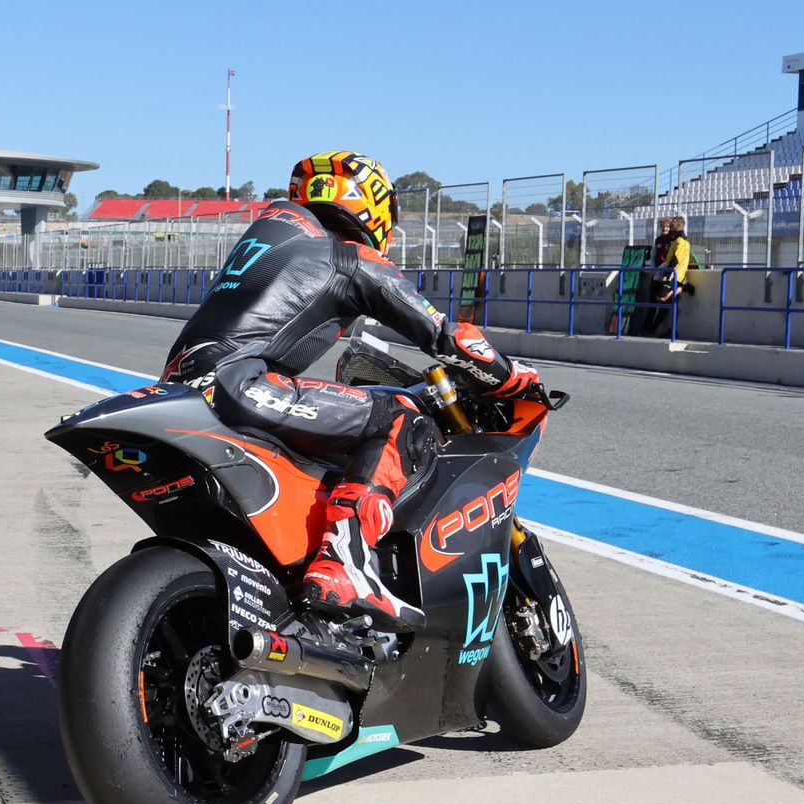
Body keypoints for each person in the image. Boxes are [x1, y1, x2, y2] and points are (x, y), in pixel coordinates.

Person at [161, 151, 538, 633]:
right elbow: (446, 336)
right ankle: (347, 561)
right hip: (239, 385)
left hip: (184, 384)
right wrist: (513, 376)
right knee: (399, 416)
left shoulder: (272, 235)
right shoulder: (344, 254)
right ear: (372, 204)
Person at [646, 216, 692, 338]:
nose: (669, 229)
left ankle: (683, 287)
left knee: (662, 297)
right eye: (667, 227)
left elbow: (675, 260)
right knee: (660, 298)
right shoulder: (673, 241)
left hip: (675, 276)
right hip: (667, 274)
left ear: (679, 227)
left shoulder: (681, 242)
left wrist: (666, 275)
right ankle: (654, 328)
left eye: (671, 226)